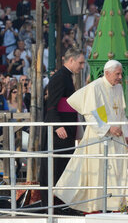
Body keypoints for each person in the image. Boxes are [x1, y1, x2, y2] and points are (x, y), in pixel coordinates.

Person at [55, 60, 128, 213]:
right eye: (117, 74)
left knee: (117, 171)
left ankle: (116, 205)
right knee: (99, 171)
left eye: (121, 74)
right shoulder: (95, 87)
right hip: (99, 137)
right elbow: (92, 113)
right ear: (107, 73)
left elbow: (122, 113)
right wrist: (109, 128)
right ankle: (97, 206)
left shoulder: (118, 88)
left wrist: (126, 132)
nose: (120, 77)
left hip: (117, 138)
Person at [39, 47, 85, 207]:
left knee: (64, 168)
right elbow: (51, 105)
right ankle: (51, 204)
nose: (82, 66)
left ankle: (60, 204)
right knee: (55, 168)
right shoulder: (59, 77)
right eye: (80, 63)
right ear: (71, 60)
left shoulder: (66, 76)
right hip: (59, 131)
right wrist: (57, 125)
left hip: (66, 130)